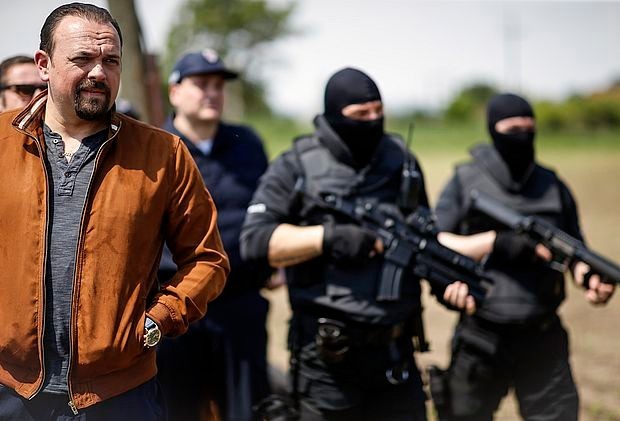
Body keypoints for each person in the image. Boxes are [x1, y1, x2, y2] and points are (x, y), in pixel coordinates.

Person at [0, 3, 229, 419]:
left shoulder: (163, 153)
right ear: (44, 64)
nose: (98, 73)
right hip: (10, 390)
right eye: (82, 59)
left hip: (120, 393)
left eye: (110, 61)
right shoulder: (2, 143)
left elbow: (207, 259)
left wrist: (160, 318)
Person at [240, 67, 475, 420]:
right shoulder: (297, 165)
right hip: (327, 361)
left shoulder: (401, 160)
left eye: (379, 111)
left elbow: (422, 237)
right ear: (335, 115)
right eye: (360, 114)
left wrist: (445, 283)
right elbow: (256, 240)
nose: (372, 121)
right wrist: (327, 237)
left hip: (397, 356)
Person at [432, 93, 615, 421]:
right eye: (513, 129)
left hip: (542, 334)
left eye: (529, 128)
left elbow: (575, 251)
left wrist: (588, 278)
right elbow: (438, 240)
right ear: (493, 129)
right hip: (482, 333)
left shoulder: (552, 185)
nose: (523, 137)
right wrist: (495, 242)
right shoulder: (465, 180)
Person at [156, 49, 273, 420]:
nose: (213, 93)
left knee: (247, 411)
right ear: (175, 92)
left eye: (219, 86)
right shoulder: (155, 147)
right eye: (202, 84)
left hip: (239, 305)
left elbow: (270, 211)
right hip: (176, 312)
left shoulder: (247, 144)